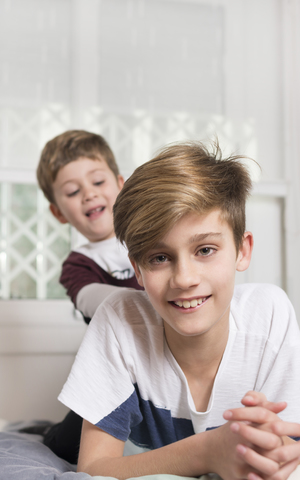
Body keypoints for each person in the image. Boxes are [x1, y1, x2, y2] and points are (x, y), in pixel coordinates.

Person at [58, 141, 300, 480]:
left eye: (205, 249)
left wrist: (268, 442)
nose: (185, 279)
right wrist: (206, 451)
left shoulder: (269, 312)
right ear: (138, 271)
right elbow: (93, 468)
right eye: (159, 258)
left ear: (241, 250)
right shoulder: (118, 319)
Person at [33, 130, 143, 463]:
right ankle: (45, 432)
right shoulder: (77, 264)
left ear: (121, 184)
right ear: (58, 212)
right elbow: (96, 299)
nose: (88, 195)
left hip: (174, 366)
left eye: (97, 182)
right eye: (72, 190)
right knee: (64, 446)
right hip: (116, 376)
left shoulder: (153, 236)